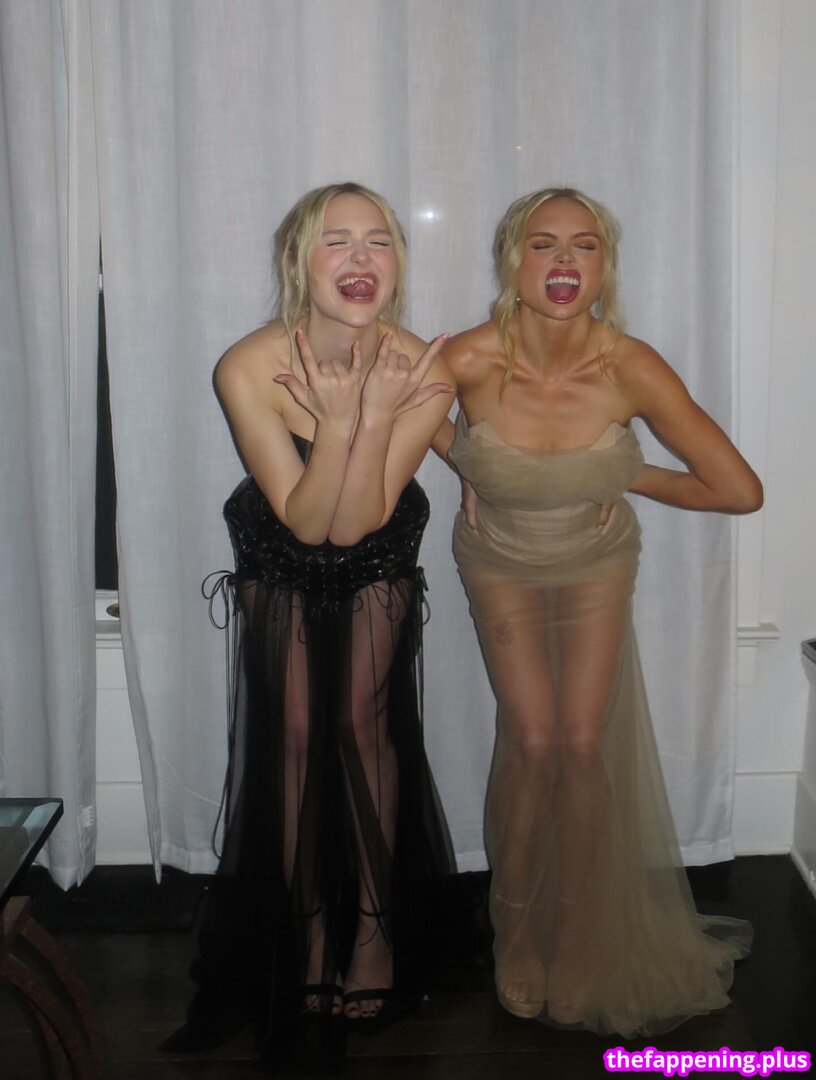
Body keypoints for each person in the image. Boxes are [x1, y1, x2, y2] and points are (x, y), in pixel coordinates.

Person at [437, 187, 761, 1037]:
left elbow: (738, 490)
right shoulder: (467, 357)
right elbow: (401, 413)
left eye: (584, 245)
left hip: (594, 563)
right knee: (531, 738)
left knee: (580, 745)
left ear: (605, 264)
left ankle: (577, 940)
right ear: (512, 259)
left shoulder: (630, 365)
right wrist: (466, 459)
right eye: (543, 244)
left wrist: (617, 473)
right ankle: (516, 933)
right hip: (498, 561)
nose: (564, 262)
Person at [163, 182, 455, 1070]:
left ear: (398, 263)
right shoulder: (248, 365)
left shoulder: (425, 370)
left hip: (374, 555)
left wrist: (370, 415)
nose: (361, 260)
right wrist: (335, 423)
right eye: (338, 241)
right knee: (291, 737)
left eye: (380, 241)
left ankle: (372, 936)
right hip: (281, 556)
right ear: (300, 261)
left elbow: (356, 523)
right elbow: (303, 521)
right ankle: (302, 939)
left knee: (364, 732)